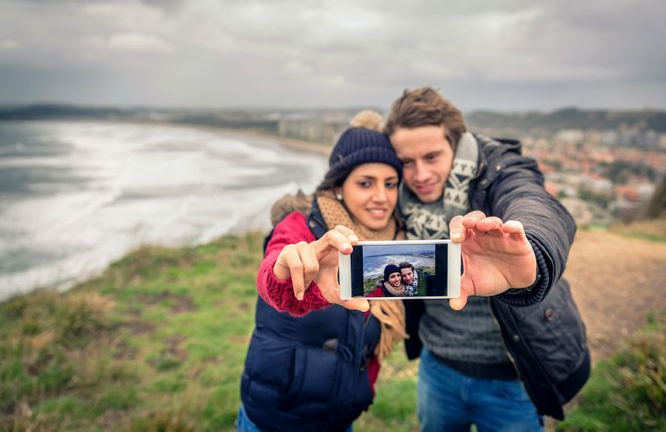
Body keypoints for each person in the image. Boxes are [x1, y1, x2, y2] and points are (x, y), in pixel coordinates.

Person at [383, 87, 590, 431]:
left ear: (457, 144)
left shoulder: (498, 170)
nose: (419, 174)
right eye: (407, 162)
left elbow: (533, 203)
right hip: (437, 368)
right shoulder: (393, 193)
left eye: (432, 157)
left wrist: (531, 251)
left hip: (511, 376)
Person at [238, 112, 408, 432]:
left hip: (341, 418)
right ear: (339, 185)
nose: (382, 197)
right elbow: (274, 279)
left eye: (391, 184)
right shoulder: (302, 226)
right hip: (276, 419)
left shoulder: (394, 245)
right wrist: (287, 273)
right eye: (365, 183)